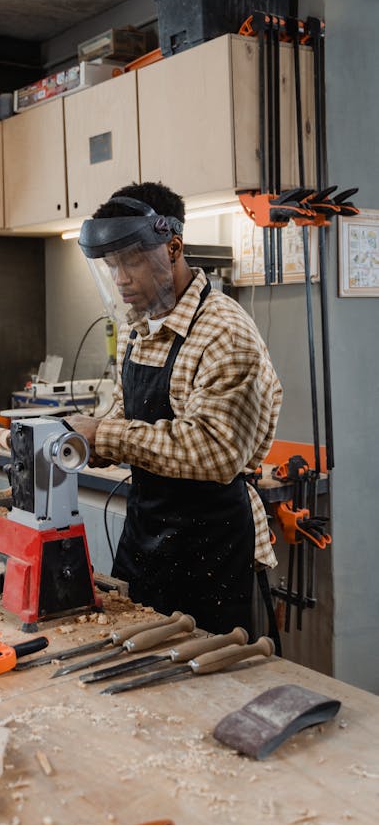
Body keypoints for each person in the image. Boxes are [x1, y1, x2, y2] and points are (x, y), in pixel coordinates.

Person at [68, 181, 282, 638]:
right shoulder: (137, 328)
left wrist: (103, 435)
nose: (121, 278)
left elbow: (213, 451)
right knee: (133, 655)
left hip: (211, 544)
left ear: (173, 247)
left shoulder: (224, 332)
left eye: (131, 261)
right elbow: (129, 421)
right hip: (146, 533)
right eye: (112, 265)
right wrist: (89, 441)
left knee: (208, 679)